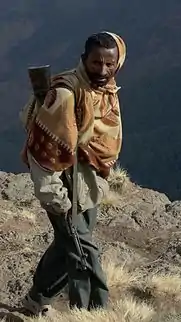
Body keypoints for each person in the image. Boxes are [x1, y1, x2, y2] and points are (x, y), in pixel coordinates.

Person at [19, 31, 126, 317]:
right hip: (65, 186)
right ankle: (91, 310)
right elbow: (44, 151)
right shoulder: (66, 94)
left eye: (109, 64)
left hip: (89, 181)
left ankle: (35, 299)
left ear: (118, 63)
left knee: (67, 245)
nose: (102, 71)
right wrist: (55, 198)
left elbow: (103, 142)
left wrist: (101, 181)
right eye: (95, 63)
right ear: (84, 59)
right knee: (82, 250)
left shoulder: (105, 91)